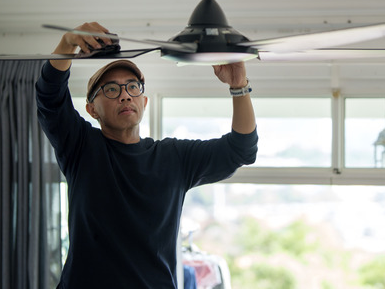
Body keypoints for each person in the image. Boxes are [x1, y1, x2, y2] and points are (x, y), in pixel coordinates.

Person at [35, 21, 258, 288]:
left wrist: (239, 86)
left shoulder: (173, 158)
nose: (125, 96)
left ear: (144, 101)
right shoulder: (81, 147)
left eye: (133, 87)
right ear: (92, 109)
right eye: (111, 90)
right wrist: (68, 43)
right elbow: (49, 97)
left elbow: (241, 149)